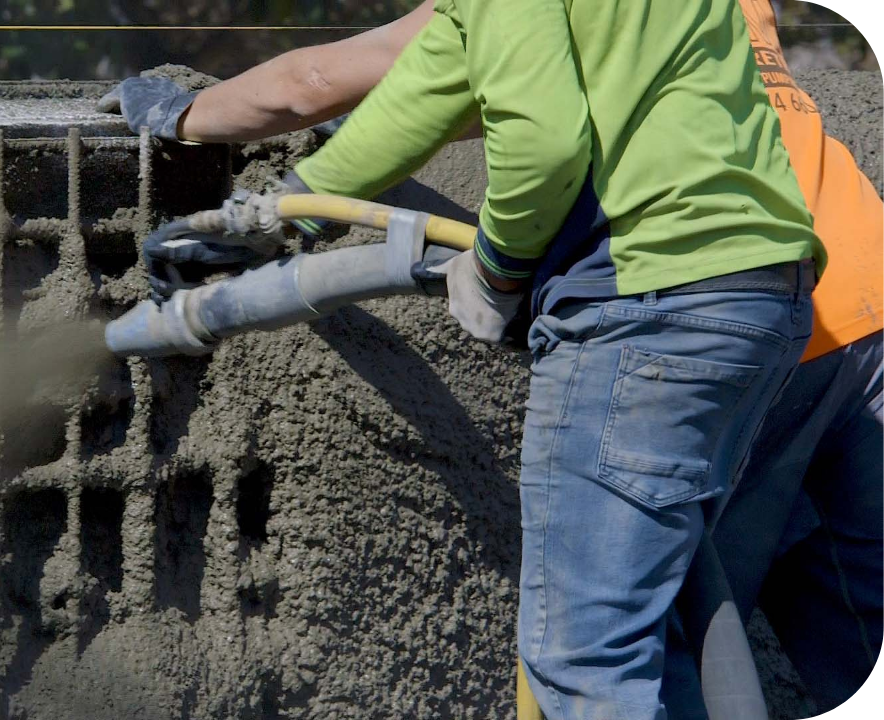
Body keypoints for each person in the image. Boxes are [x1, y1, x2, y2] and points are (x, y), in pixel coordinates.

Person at [103, 2, 825, 717]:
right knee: (653, 624)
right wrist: (289, 209)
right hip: (757, 296)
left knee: (586, 657)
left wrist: (497, 269)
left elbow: (542, 144)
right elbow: (422, 94)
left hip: (647, 302)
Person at [705, 2, 884, 714]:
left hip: (760, 328)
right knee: (860, 622)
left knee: (662, 638)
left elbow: (329, 76)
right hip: (864, 284)